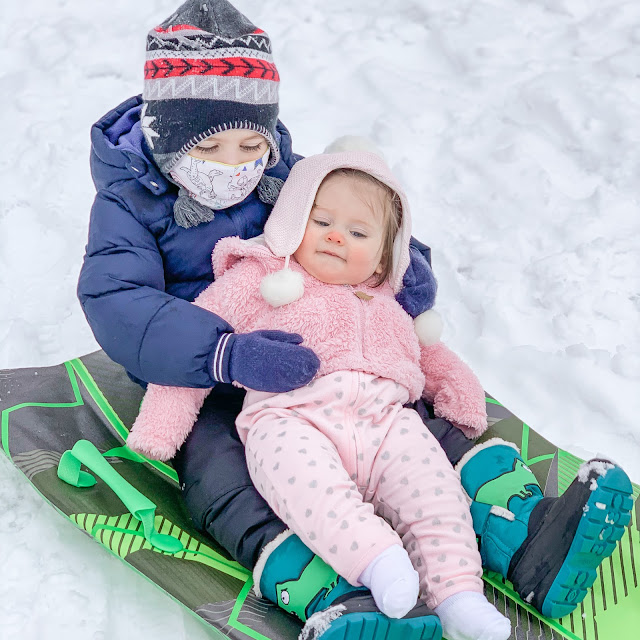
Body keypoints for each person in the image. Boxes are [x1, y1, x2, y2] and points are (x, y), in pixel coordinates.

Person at [78, 1, 633, 638]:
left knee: (412, 431)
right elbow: (119, 302)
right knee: (224, 475)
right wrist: (223, 352)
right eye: (213, 146)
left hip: (323, 353)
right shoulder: (128, 199)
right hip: (201, 375)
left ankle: (525, 539)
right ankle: (336, 590)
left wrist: (402, 263)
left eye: (253, 142)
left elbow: (355, 210)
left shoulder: (282, 169)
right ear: (167, 135)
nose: (237, 163)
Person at [129, 150, 517, 640]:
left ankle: (459, 595)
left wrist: (462, 395)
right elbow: (193, 343)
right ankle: (379, 562)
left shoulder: (389, 303)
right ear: (293, 220)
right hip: (291, 419)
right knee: (315, 493)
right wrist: (159, 428)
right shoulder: (260, 279)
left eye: (358, 233)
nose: (337, 236)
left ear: (384, 254)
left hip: (385, 421)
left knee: (437, 497)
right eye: (322, 221)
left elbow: (432, 355)